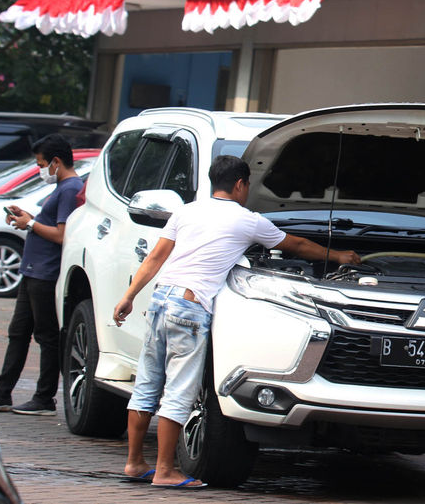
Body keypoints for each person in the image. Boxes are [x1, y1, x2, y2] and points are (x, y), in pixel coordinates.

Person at [113, 155, 360, 489]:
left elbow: (156, 257)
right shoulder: (248, 221)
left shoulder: (186, 211)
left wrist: (128, 296)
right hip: (189, 307)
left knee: (146, 385)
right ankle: (165, 470)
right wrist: (339, 256)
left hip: (160, 299)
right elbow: (296, 245)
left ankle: (134, 463)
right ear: (241, 184)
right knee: (178, 391)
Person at [0, 134, 83, 415]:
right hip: (32, 270)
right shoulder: (62, 187)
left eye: (41, 164)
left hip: (46, 273)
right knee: (18, 332)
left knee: (46, 336)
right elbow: (46, 223)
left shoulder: (70, 188)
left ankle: (44, 398)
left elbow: (62, 235)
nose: (40, 169)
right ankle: (2, 393)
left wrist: (31, 223)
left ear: (56, 162)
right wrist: (27, 216)